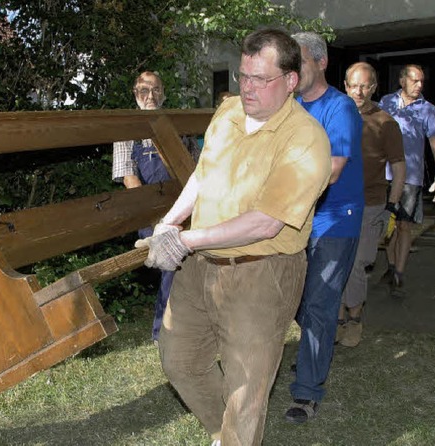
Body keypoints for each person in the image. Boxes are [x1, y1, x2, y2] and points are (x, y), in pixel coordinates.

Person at [136, 28, 331, 445]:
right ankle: (225, 436)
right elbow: (203, 175)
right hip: (201, 265)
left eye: (261, 79)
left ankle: (236, 437)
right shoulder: (226, 113)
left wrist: (187, 240)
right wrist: (171, 223)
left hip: (261, 274)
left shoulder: (307, 140)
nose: (248, 88)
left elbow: (266, 222)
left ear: (291, 80)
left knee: (246, 392)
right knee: (180, 361)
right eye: (244, 76)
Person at [286, 31, 364, 423]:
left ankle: (306, 392)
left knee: (318, 302)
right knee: (298, 297)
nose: (293, 70)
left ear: (320, 62)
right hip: (299, 218)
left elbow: (331, 173)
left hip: (337, 218)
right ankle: (313, 351)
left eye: (298, 61)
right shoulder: (292, 107)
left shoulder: (341, 108)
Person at [111, 71, 200, 342]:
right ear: (134, 93)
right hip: (148, 212)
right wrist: (158, 220)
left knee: (195, 260)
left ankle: (188, 326)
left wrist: (183, 212)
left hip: (182, 206)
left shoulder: (178, 127)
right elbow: (129, 178)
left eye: (156, 90)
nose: (150, 96)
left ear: (164, 93)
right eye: (143, 91)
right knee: (171, 260)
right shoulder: (126, 132)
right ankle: (162, 331)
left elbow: (197, 170)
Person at [338, 62, 406, 347]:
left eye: (365, 85)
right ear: (345, 86)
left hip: (372, 203)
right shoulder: (336, 115)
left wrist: (392, 205)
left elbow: (399, 167)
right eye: (354, 85)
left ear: (374, 87)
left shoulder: (385, 122)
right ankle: (338, 319)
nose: (359, 91)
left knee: (357, 264)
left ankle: (354, 318)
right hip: (337, 203)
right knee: (337, 262)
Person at [378, 64, 435, 297]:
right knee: (387, 225)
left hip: (410, 178)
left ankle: (399, 273)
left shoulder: (427, 109)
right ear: (402, 81)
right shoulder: (386, 102)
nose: (419, 85)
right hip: (384, 174)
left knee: (404, 225)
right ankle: (389, 265)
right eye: (415, 80)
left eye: (422, 81)